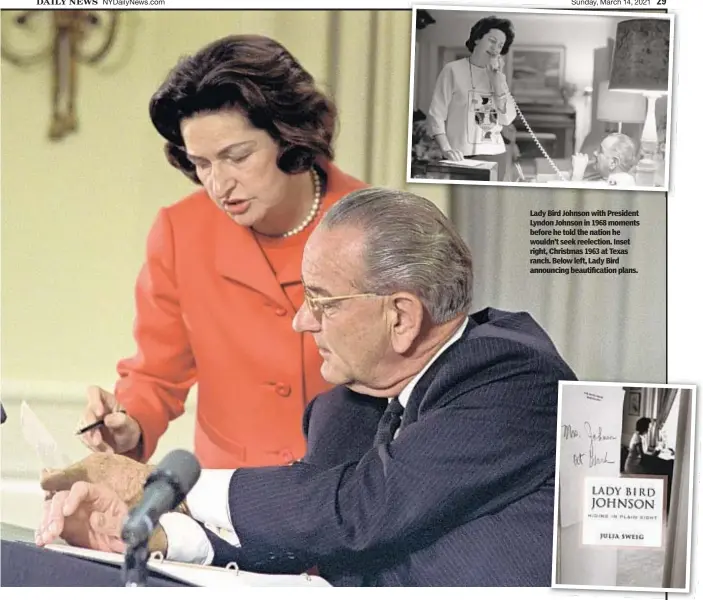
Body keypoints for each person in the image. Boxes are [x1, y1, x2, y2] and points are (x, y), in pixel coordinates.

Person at [34, 188, 577, 586]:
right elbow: (312, 531)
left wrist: (157, 481)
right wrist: (151, 534)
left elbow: (362, 511)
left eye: (322, 301)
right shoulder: (346, 405)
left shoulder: (512, 376)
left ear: (402, 317)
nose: (301, 322)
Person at [77, 35, 366, 469]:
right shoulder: (180, 232)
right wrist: (128, 421)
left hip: (354, 494)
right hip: (231, 501)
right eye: (202, 163)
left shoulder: (374, 224)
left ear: (289, 136)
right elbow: (156, 374)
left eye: (237, 156)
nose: (218, 184)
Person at [426, 16, 517, 181]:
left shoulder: (499, 78)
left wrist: (497, 82)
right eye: (492, 41)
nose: (496, 48)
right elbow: (436, 115)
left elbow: (506, 119)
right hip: (460, 157)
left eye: (500, 45)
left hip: (495, 155)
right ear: (477, 39)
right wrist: (446, 149)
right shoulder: (452, 70)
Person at [570, 133, 638, 186]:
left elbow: (572, 202)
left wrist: (577, 174)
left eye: (600, 151)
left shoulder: (618, 183)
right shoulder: (611, 179)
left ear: (613, 163)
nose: (595, 153)